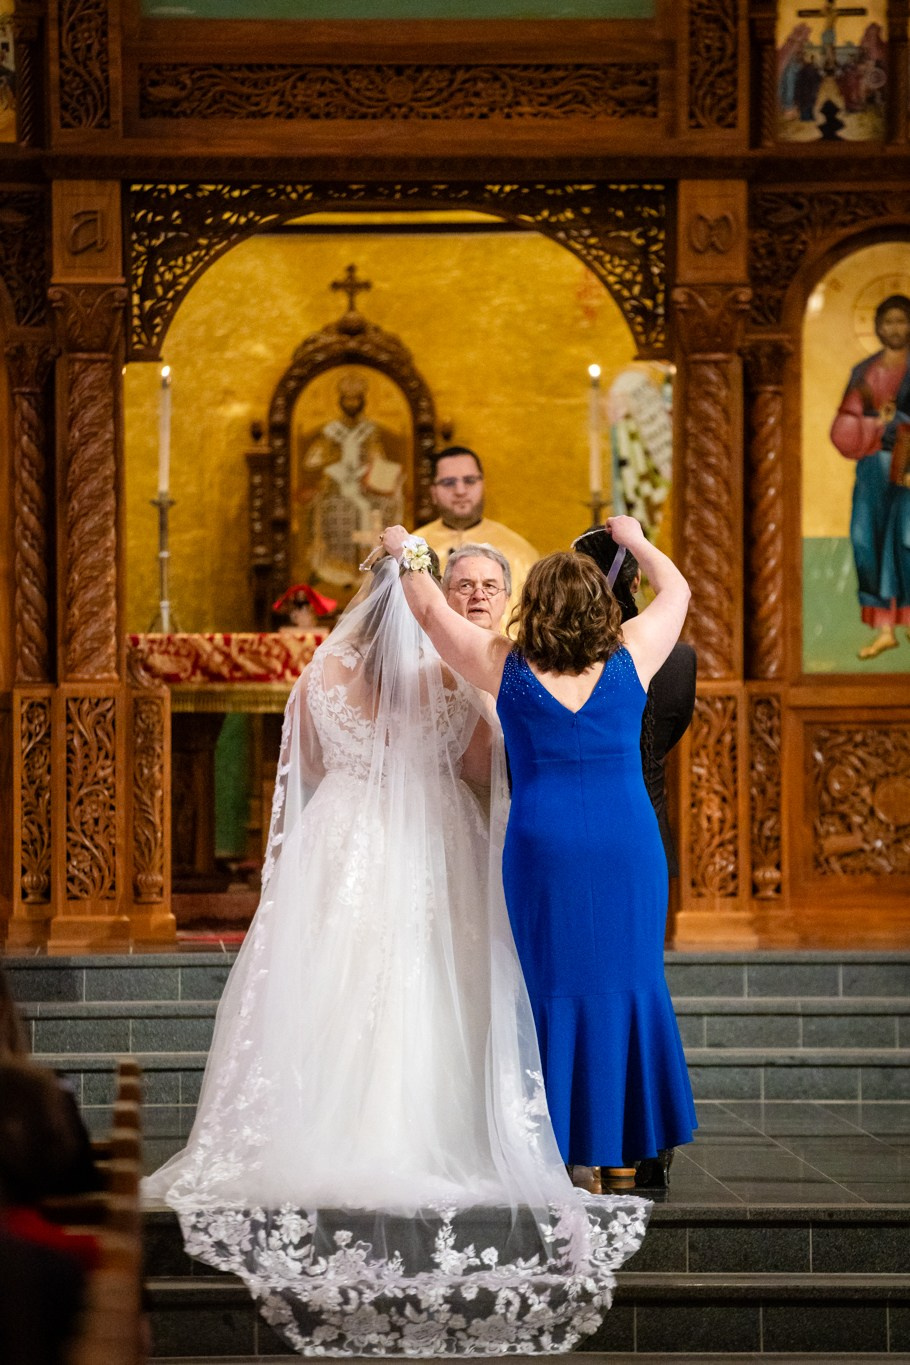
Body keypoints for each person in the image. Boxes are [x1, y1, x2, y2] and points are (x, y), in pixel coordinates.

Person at [143, 552, 648, 1356]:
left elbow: (300, 768)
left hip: (340, 846)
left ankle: (322, 1125)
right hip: (437, 840)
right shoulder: (462, 674)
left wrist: (359, 787)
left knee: (333, 986)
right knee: (441, 983)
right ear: (427, 596)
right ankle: (457, 1129)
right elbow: (486, 769)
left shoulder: (325, 671)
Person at [382, 513, 697, 1192]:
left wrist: (405, 543)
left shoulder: (507, 668)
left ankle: (565, 1152)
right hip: (626, 844)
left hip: (543, 846)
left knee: (552, 989)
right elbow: (678, 591)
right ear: (599, 605)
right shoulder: (632, 656)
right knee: (629, 982)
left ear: (532, 607)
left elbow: (428, 608)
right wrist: (635, 537)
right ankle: (623, 1154)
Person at [573, 526, 697, 878]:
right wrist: (638, 541)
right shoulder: (678, 661)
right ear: (637, 581)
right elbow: (669, 734)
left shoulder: (557, 662)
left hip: (577, 836)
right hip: (647, 834)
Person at [830, 293, 910, 659]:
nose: (895, 328)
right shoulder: (865, 372)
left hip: (908, 469)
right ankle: (884, 629)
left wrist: (900, 421)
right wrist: (875, 424)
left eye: (901, 320)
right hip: (873, 467)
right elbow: (844, 424)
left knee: (905, 543)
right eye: (888, 321)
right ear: (877, 327)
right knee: (866, 540)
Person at [416, 446, 538, 622]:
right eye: (449, 483)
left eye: (470, 480)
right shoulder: (412, 548)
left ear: (483, 485)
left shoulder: (520, 552)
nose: (460, 491)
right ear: (433, 492)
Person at [442, 542, 511, 634]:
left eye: (490, 586)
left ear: (506, 598)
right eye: (466, 586)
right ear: (446, 595)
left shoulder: (524, 648)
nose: (479, 596)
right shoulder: (424, 648)